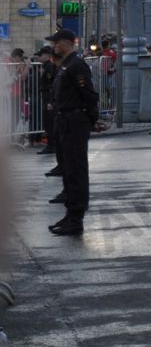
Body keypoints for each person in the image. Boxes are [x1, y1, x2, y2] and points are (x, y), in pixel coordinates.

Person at [46, 30, 99, 237]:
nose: (54, 46)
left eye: (56, 43)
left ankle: (76, 218)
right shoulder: (66, 64)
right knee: (68, 170)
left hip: (75, 122)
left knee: (76, 171)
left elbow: (89, 95)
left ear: (66, 43)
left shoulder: (77, 65)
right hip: (65, 121)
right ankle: (70, 214)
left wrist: (92, 120)